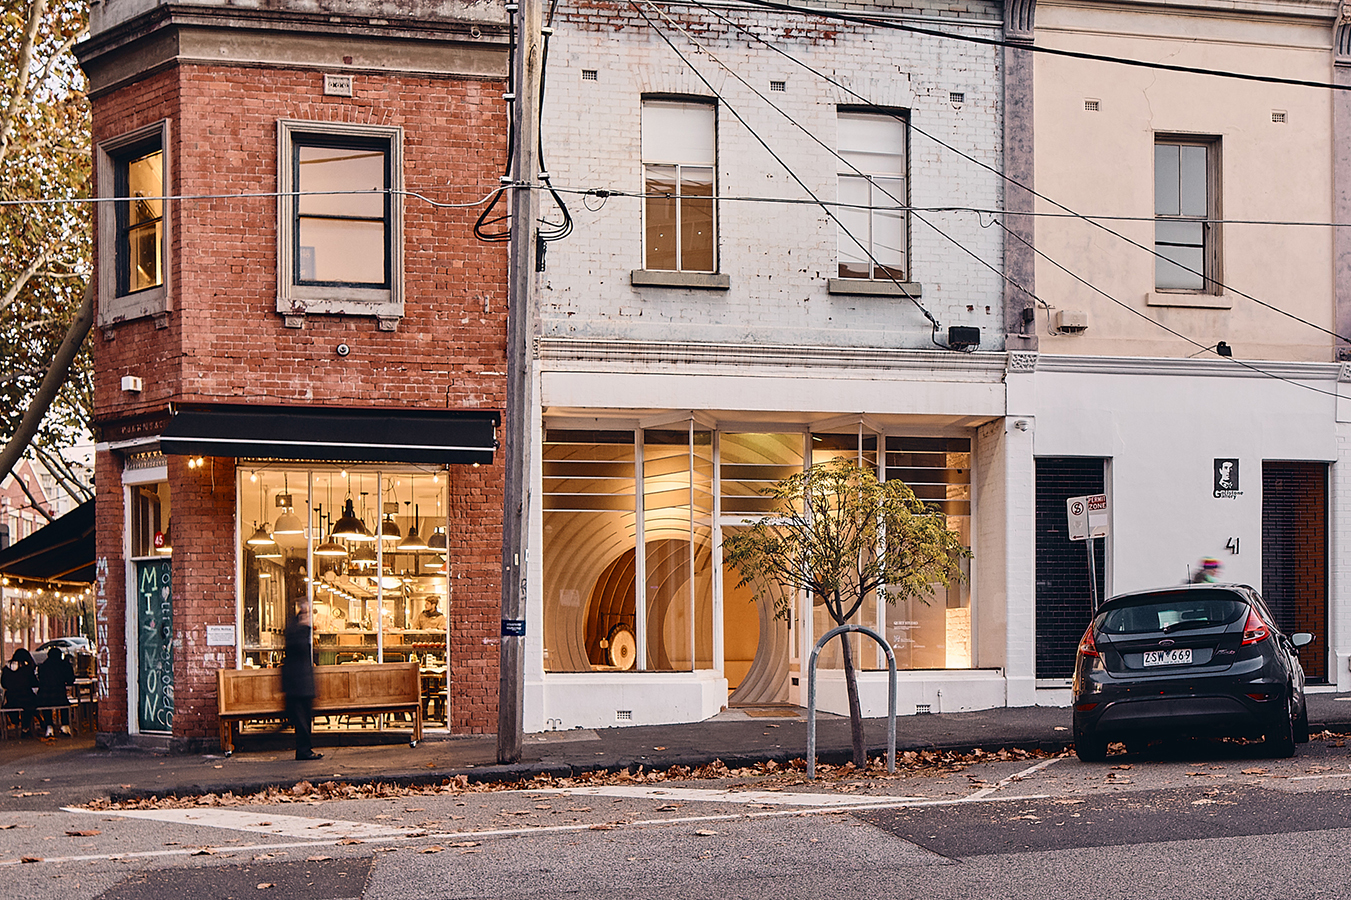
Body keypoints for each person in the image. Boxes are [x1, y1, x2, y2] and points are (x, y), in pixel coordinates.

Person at [282, 604, 323, 760]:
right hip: (298, 685)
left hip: (301, 685)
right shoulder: (297, 633)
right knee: (301, 720)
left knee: (304, 719)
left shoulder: (298, 632)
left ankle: (305, 750)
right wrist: (308, 629)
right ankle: (303, 751)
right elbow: (300, 649)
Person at [35, 646, 75, 737]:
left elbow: (39, 680)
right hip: (59, 695)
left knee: (46, 705)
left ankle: (49, 726)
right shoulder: (64, 665)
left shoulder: (42, 666)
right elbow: (70, 679)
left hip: (44, 697)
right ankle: (65, 726)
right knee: (64, 704)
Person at [2, 649, 38, 736]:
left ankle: (16, 721)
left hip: (11, 700)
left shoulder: (6, 669)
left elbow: (4, 684)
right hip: (26, 699)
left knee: (12, 705)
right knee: (31, 705)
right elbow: (34, 683)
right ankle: (25, 728)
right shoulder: (27, 669)